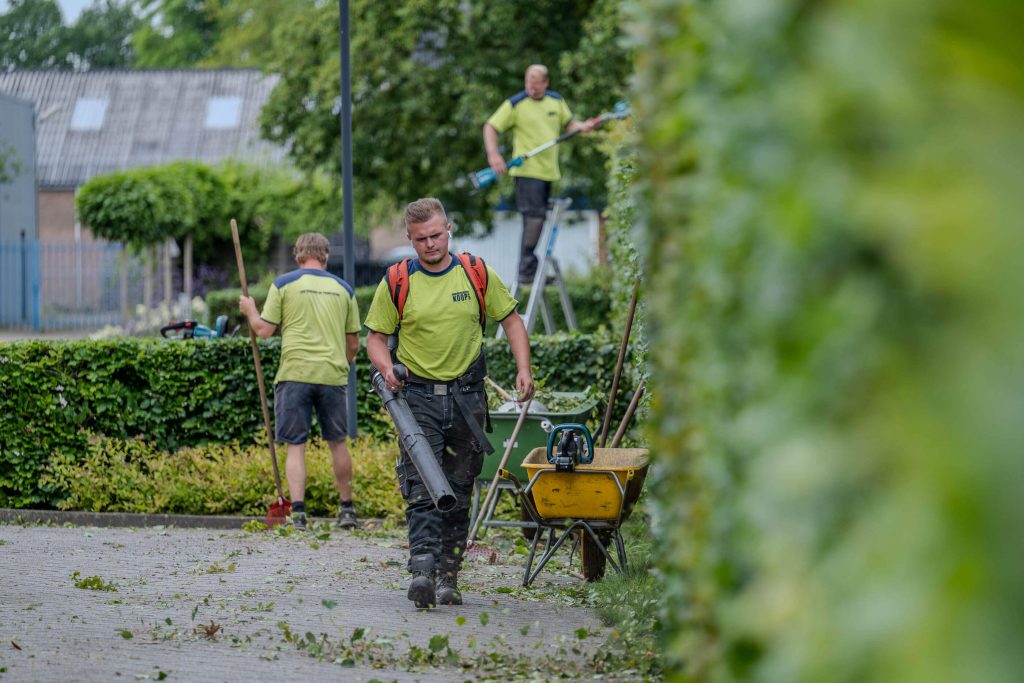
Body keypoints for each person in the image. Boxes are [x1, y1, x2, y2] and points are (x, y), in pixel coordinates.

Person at [364, 198, 535, 607]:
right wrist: (387, 367)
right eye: (421, 239)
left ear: (449, 229)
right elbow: (375, 338)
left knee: (458, 488)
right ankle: (422, 570)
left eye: (436, 235)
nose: (430, 244)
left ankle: (448, 576)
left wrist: (524, 369)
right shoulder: (398, 279)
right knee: (423, 484)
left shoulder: (476, 273)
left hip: (466, 399)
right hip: (416, 397)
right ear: (410, 238)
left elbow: (511, 321)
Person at [238, 232, 361, 531]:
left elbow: (263, 331)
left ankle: (300, 514)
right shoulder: (344, 290)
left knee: (296, 446)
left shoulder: (283, 284)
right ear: (325, 256)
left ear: (297, 256)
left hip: (294, 375)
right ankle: (346, 509)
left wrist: (249, 310)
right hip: (331, 376)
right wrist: (340, 365)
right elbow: (354, 344)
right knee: (338, 443)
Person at [483, 63, 596, 284]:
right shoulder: (516, 103)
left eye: (536, 86)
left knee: (539, 218)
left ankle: (530, 267)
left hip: (548, 171)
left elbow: (570, 124)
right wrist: (493, 154)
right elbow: (490, 126)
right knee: (533, 217)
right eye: (528, 85)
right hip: (526, 171)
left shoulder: (556, 101)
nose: (531, 90)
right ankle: (527, 269)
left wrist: (582, 126)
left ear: (545, 83)